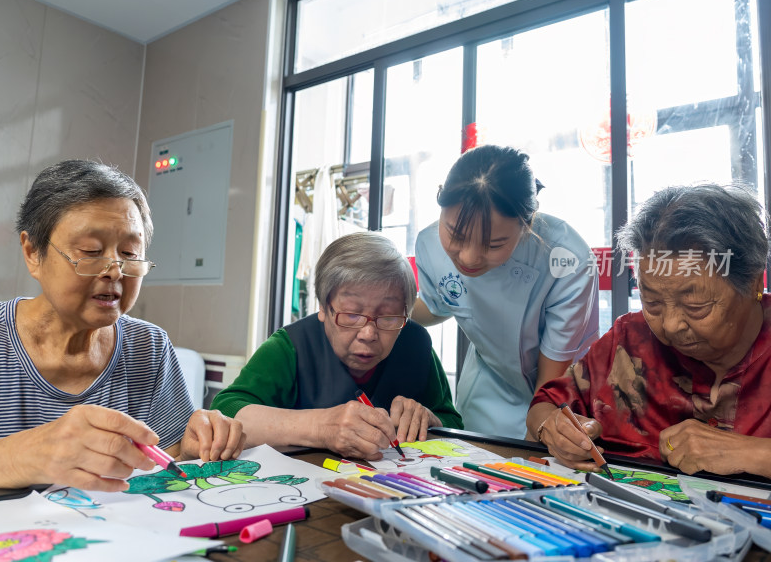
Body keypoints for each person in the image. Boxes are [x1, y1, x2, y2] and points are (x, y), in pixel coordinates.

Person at [0, 160, 246, 492]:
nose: (115, 270)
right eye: (90, 250)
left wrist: (190, 446)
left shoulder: (149, 346)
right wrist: (25, 456)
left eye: (130, 252)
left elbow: (166, 460)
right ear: (33, 253)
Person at [528, 183, 771, 479]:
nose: (670, 325)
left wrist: (751, 453)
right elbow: (546, 405)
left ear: (754, 283)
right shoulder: (629, 342)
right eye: (652, 302)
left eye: (695, 306)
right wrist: (554, 430)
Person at [211, 232, 463, 460]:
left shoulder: (415, 344)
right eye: (352, 314)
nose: (368, 333)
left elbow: (453, 423)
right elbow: (226, 412)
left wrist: (429, 419)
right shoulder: (292, 347)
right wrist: (321, 427)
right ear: (323, 307)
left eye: (388, 316)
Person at [412, 144, 599, 437]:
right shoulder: (428, 244)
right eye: (455, 235)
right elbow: (437, 306)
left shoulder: (566, 259)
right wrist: (378, 308)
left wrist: (537, 437)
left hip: (564, 388)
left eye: (494, 244)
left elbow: (551, 384)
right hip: (491, 383)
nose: (469, 258)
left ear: (528, 223)